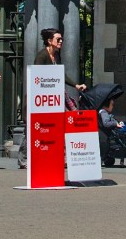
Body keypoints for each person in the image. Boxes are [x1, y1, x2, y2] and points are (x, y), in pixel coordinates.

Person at [18, 27, 87, 168]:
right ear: (50, 41)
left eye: (61, 39)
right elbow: (36, 76)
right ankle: (23, 159)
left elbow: (60, 74)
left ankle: (60, 156)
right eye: (58, 39)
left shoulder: (56, 56)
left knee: (57, 125)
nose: (61, 41)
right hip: (39, 97)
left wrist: (76, 85)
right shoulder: (42, 55)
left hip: (52, 97)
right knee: (32, 128)